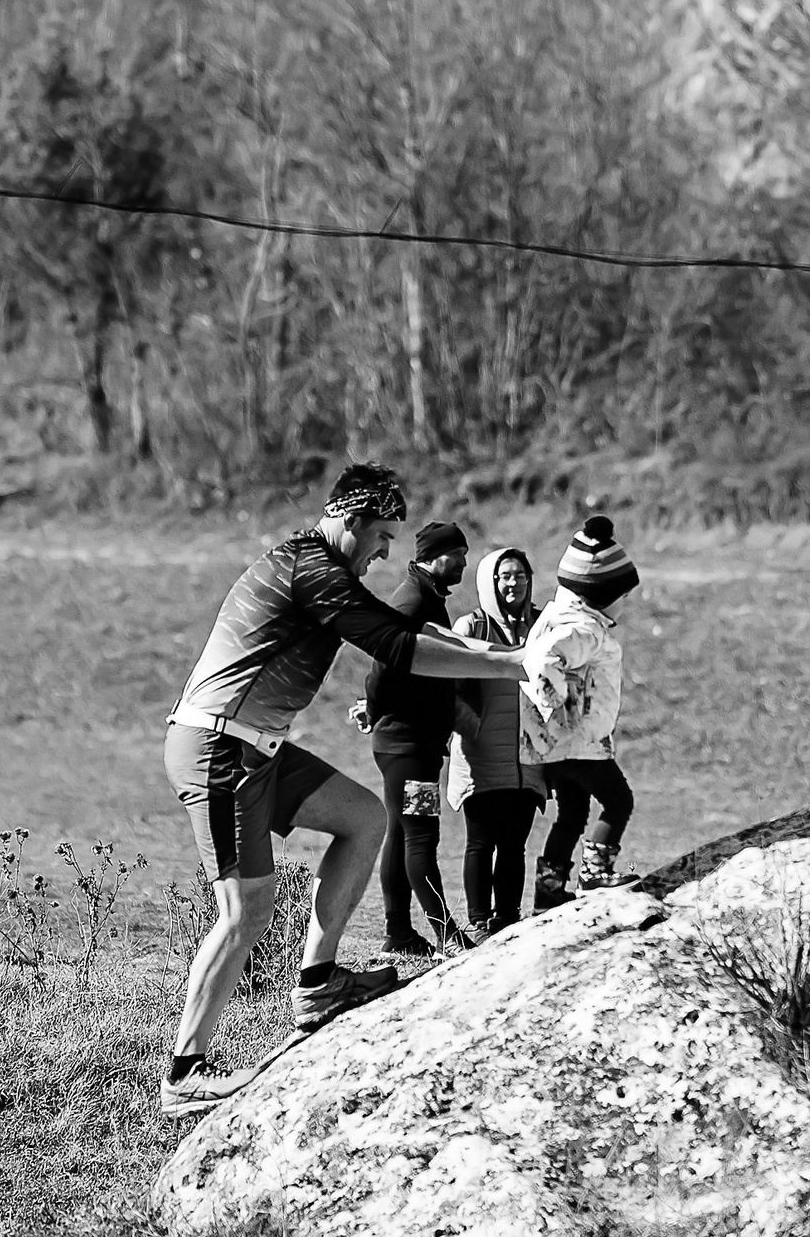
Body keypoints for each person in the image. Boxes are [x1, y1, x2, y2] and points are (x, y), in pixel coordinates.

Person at [160, 462, 530, 1118]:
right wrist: (516, 663)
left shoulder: (324, 569)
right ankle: (185, 1073)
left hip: (257, 748)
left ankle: (319, 983)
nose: (386, 552)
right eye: (383, 536)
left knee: (363, 820)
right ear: (352, 521)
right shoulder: (313, 572)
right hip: (220, 748)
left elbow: (408, 637)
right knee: (246, 911)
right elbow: (398, 648)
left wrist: (501, 661)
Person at [356, 519, 473, 955]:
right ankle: (447, 936)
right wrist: (375, 709)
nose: (462, 562)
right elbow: (381, 664)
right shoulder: (413, 602)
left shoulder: (426, 596)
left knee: (403, 833)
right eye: (455, 554)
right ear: (431, 557)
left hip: (409, 744)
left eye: (464, 554)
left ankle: (399, 933)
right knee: (421, 835)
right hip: (408, 746)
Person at [522, 516, 642, 910]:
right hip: (580, 742)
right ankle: (595, 874)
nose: (625, 602)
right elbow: (542, 661)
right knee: (618, 801)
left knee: (572, 814)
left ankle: (548, 892)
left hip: (555, 744)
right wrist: (557, 700)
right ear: (600, 593)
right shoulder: (584, 629)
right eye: (622, 594)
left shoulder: (560, 617)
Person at [449, 546, 545, 935]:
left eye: (520, 576)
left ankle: (507, 920)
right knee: (480, 842)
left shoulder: (542, 625)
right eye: (505, 576)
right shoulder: (471, 627)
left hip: (527, 757)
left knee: (514, 844)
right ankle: (478, 922)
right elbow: (451, 689)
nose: (513, 584)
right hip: (480, 754)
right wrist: (470, 729)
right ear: (490, 582)